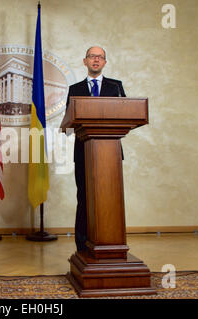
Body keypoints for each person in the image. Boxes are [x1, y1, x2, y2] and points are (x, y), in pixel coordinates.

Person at [65, 46, 126, 252]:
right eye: (92, 56)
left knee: (110, 197)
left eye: (100, 57)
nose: (96, 60)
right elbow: (69, 119)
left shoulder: (116, 87)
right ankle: (82, 245)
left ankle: (111, 243)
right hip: (83, 153)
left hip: (111, 154)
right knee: (84, 197)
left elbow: (126, 114)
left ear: (105, 62)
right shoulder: (75, 89)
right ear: (85, 61)